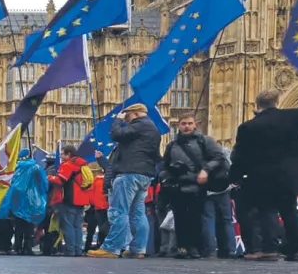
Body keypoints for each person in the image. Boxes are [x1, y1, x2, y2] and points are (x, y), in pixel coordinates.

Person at [229, 90, 298, 261]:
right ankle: (295, 250)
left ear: (257, 104)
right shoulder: (293, 116)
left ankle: (270, 249)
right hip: (290, 176)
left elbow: (240, 156)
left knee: (267, 211)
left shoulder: (248, 126)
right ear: (277, 101)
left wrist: (234, 177)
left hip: (262, 177)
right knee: (290, 211)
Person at [89, 103, 161, 259]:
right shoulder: (153, 129)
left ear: (135, 114)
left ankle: (111, 248)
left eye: (127, 116)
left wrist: (117, 120)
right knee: (138, 214)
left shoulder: (139, 125)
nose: (126, 120)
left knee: (118, 211)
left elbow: (116, 134)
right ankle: (137, 249)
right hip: (144, 174)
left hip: (129, 173)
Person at [159, 113, 227, 259]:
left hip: (197, 185)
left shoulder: (204, 141)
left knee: (195, 218)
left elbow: (219, 157)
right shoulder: (172, 145)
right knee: (179, 218)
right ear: (178, 126)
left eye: (189, 123)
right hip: (178, 185)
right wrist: (167, 176)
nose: (187, 126)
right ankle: (183, 248)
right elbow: (164, 165)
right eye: (183, 123)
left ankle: (195, 248)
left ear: (195, 124)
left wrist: (206, 170)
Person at [2, 149, 48, 254]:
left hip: (17, 199)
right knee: (29, 224)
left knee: (18, 224)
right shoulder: (35, 167)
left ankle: (17, 247)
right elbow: (43, 184)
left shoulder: (15, 166)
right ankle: (27, 247)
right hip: (32, 199)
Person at [48, 143, 91, 256]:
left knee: (68, 226)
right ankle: (78, 251)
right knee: (77, 226)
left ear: (69, 154)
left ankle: (70, 250)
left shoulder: (68, 165)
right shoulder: (82, 164)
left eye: (62, 154)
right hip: (81, 200)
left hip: (70, 199)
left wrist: (49, 177)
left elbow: (60, 180)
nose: (61, 156)